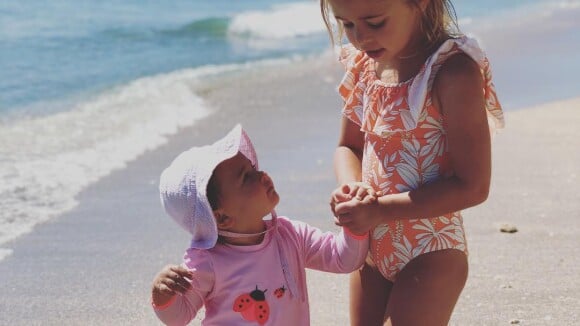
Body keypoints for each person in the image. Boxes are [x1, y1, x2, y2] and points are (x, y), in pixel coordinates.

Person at [320, 0, 505, 325]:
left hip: (431, 249)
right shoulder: (364, 68)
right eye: (347, 25)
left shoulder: (451, 71)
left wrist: (379, 210)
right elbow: (347, 148)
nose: (360, 37)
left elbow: (474, 186)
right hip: (371, 248)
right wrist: (352, 188)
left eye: (375, 23)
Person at [151, 124, 373, 325]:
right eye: (246, 177)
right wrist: (162, 294)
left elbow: (343, 259)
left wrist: (354, 222)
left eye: (255, 169)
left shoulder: (290, 235)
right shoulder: (208, 260)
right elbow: (179, 316)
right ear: (221, 218)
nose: (263, 175)